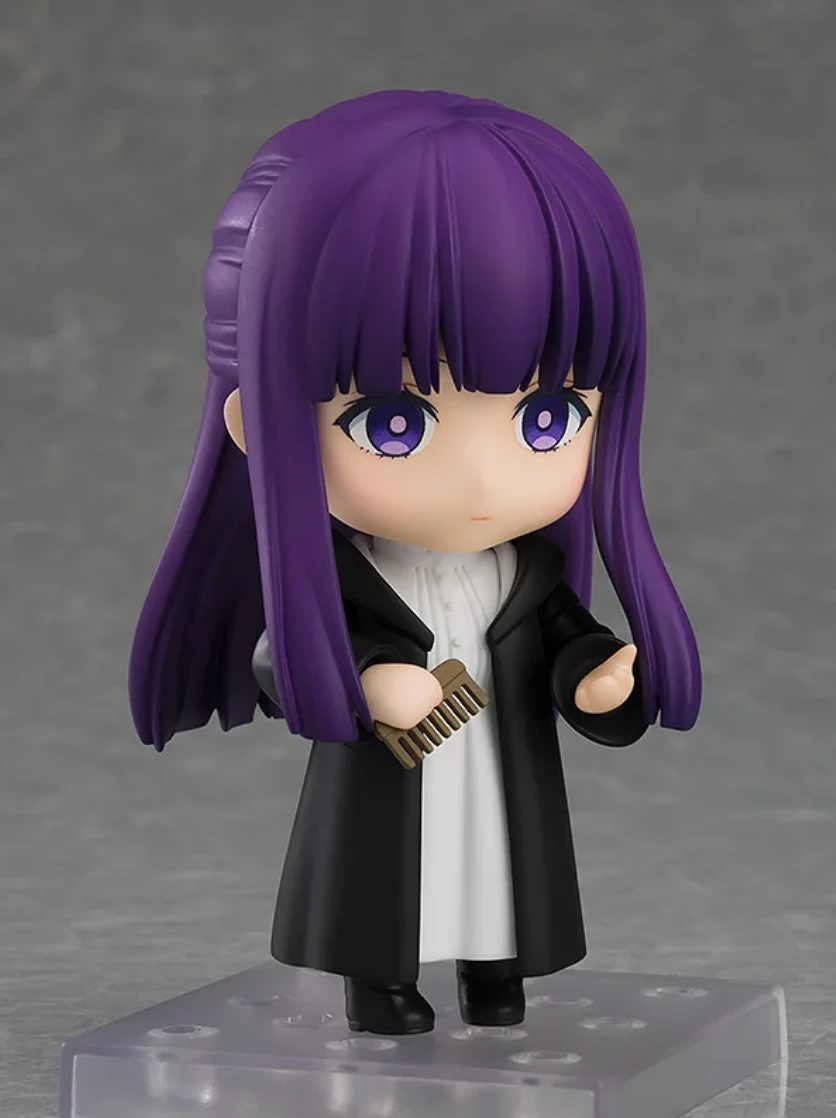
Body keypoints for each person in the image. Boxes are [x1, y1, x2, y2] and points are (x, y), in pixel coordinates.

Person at [129, 90, 701, 1036]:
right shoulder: (340, 578)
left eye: (548, 417)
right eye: (393, 424)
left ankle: (496, 971)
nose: (481, 480)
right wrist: (364, 683)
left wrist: (595, 680)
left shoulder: (524, 571)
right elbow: (281, 653)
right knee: (395, 878)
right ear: (256, 424)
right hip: (391, 781)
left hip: (498, 764)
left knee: (496, 863)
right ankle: (382, 983)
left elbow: (567, 637)